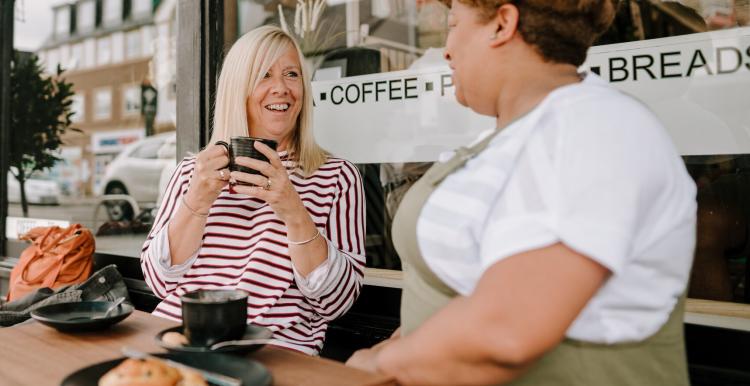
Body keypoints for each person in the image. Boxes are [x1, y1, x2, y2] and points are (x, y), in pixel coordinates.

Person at [346, 1, 697, 384]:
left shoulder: (593, 130)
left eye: (453, 24)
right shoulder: (509, 138)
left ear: (502, 24)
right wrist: (403, 344)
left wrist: (380, 365)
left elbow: (505, 333)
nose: (445, 49)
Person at [141, 26, 366, 355]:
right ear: (238, 89)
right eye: (264, 75)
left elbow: (336, 302)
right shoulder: (194, 172)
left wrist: (292, 210)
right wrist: (197, 200)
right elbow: (159, 282)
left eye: (292, 74)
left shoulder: (336, 176)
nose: (281, 89)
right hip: (178, 339)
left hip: (275, 351)